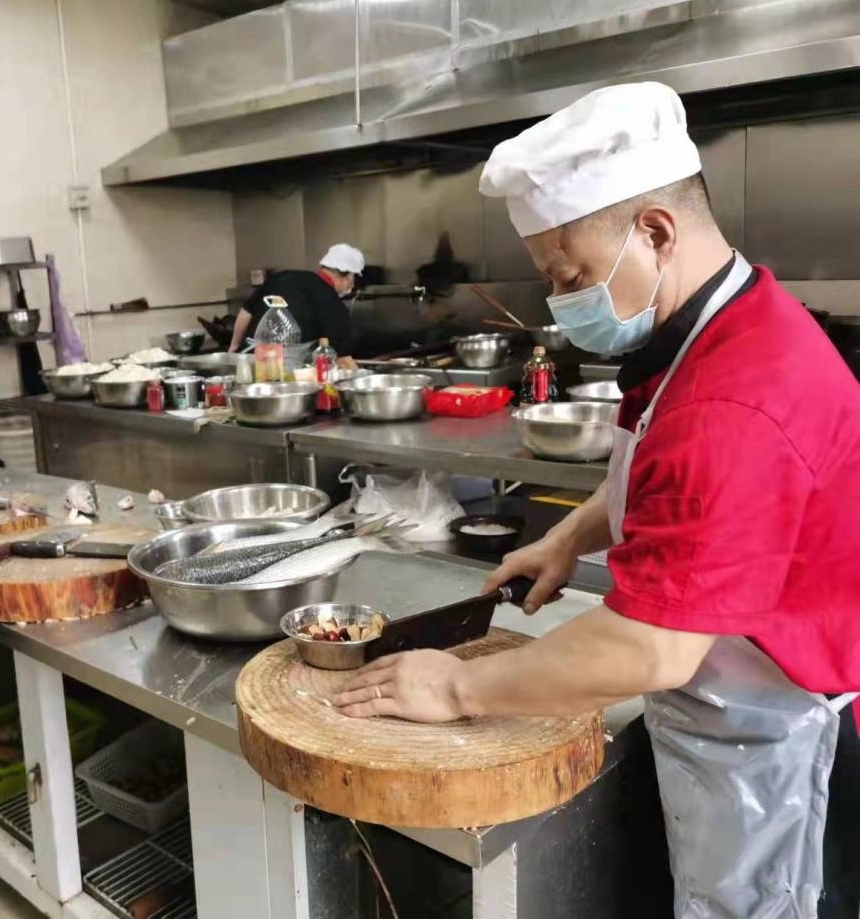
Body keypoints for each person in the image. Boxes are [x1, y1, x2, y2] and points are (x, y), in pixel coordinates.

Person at [333, 82, 860, 918]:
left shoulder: (732, 398)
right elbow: (668, 484)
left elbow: (652, 648)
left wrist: (456, 689)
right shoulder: (719, 326)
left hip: (778, 744)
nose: (562, 300)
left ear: (655, 232)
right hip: (729, 703)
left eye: (571, 274)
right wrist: (569, 537)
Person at [228, 243, 364, 354]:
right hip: (282, 373)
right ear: (349, 276)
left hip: (247, 361)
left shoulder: (282, 276)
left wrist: (234, 346)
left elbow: (246, 312)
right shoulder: (334, 305)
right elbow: (343, 360)